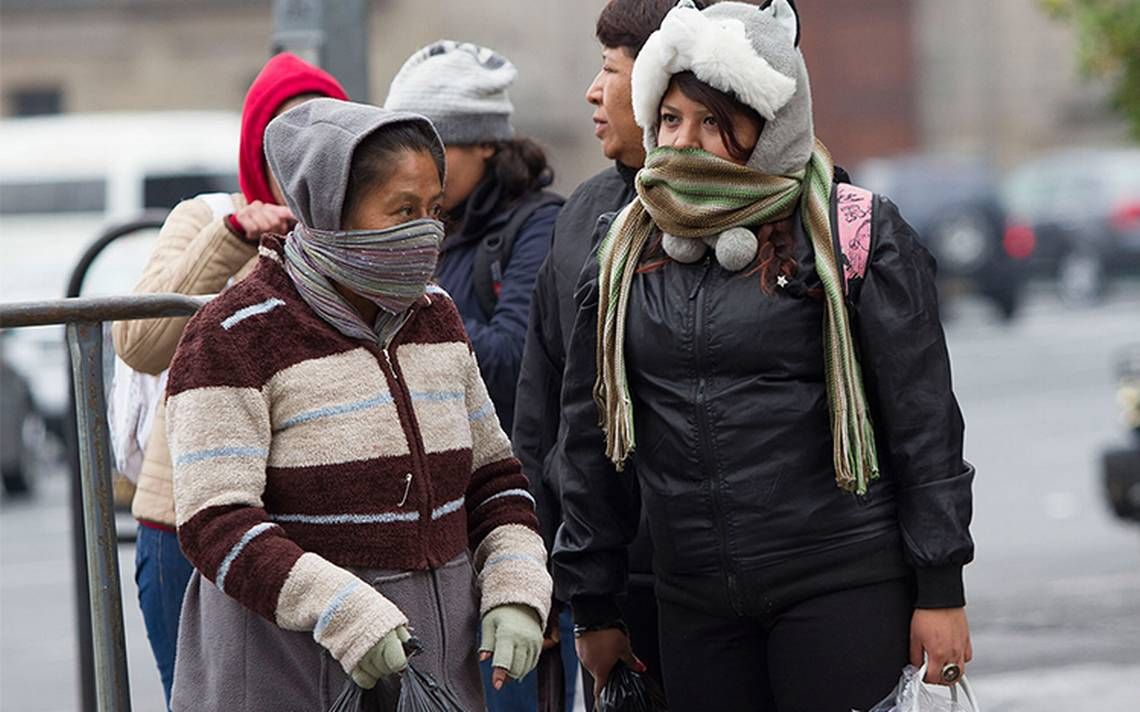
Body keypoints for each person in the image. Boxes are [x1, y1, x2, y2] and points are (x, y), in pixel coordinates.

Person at [553, 2, 975, 709]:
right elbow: (589, 440)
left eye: (714, 121)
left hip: (839, 584)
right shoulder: (621, 248)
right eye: (670, 119)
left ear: (770, 125)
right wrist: (594, 604)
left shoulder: (852, 234)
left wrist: (941, 590)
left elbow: (924, 427)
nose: (686, 142)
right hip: (695, 604)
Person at [163, 99, 552, 710]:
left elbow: (493, 479)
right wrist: (342, 611)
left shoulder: (437, 318)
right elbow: (216, 522)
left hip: (434, 670)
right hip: (287, 671)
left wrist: (515, 584)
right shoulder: (234, 334)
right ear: (330, 212)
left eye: (434, 210)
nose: (425, 232)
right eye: (402, 211)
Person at [110, 51, 347, 708]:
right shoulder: (208, 219)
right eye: (283, 138)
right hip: (186, 527)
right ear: (255, 146)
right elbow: (138, 342)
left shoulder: (356, 235)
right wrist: (234, 239)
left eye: (319, 136)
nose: (302, 157)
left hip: (310, 531)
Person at [383, 40, 565, 711]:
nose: (417, 169)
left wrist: (415, 302)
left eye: (434, 148)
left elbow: (513, 360)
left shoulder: (537, 227)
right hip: (434, 523)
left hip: (509, 514)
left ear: (484, 144)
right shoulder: (438, 228)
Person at [512, 0, 678, 704]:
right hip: (608, 579)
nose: (591, 90)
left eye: (610, 69)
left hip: (719, 574)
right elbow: (542, 410)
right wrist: (548, 574)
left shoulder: (762, 219)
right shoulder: (582, 216)